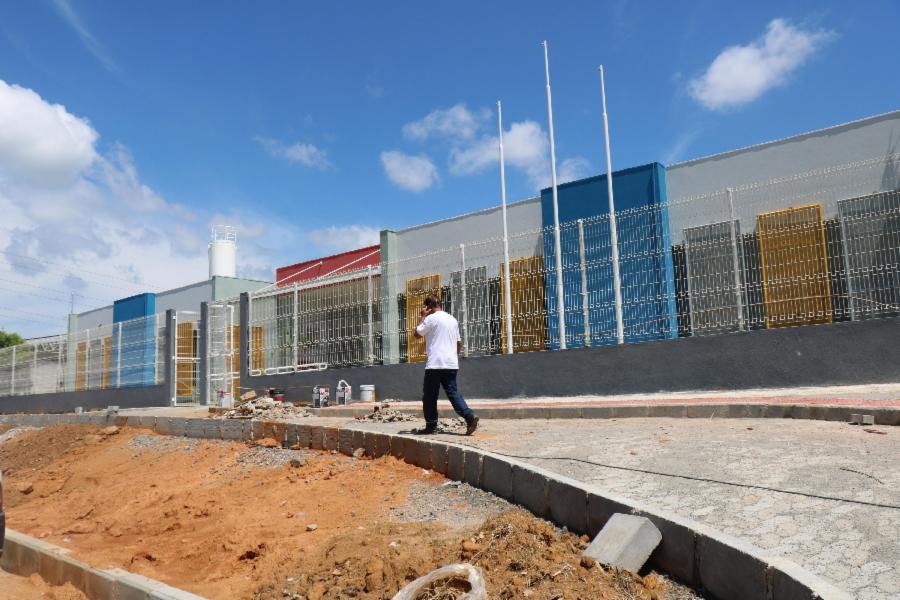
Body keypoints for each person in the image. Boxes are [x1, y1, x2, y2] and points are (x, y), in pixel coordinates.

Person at [413, 293, 479, 435]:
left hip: (435, 364)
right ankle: (469, 417)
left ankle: (431, 425)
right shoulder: (452, 319)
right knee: (453, 393)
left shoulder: (430, 318)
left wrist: (422, 316)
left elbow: (417, 334)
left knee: (430, 396)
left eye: (426, 307)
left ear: (429, 307)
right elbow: (459, 343)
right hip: (451, 364)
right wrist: (452, 356)